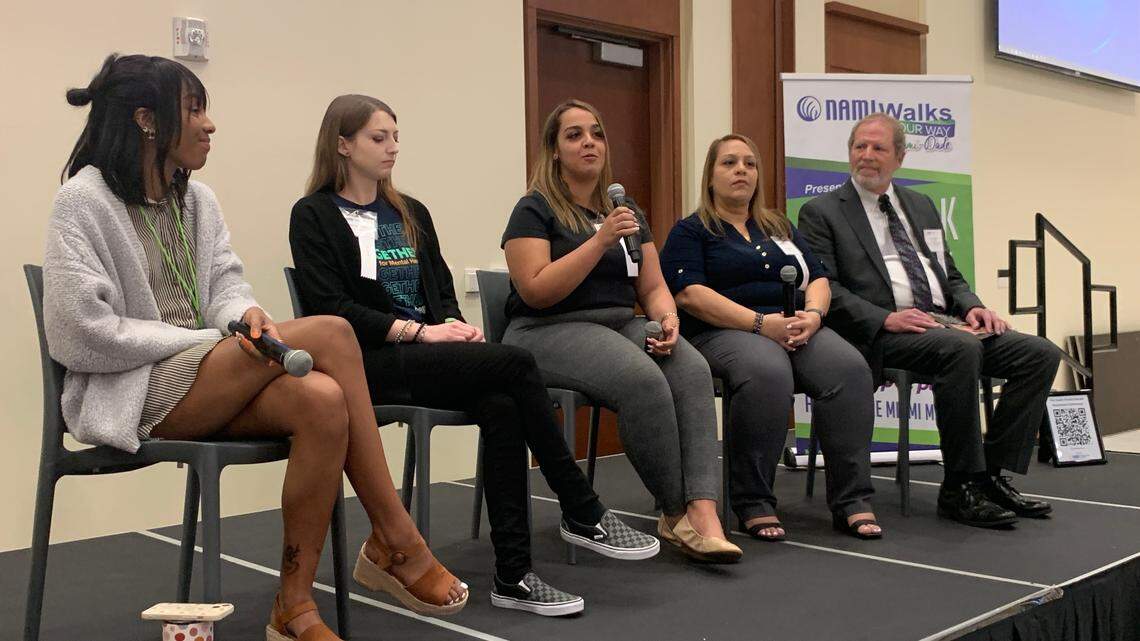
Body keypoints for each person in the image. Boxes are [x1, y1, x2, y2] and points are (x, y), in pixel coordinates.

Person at [43, 55, 468, 641]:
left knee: (321, 399)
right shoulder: (83, 201)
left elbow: (225, 286)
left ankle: (293, 610)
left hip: (210, 375)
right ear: (147, 120)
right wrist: (207, 337)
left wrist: (242, 314)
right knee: (333, 332)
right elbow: (77, 332)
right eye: (195, 110)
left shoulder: (198, 201)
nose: (210, 124)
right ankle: (396, 535)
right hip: (139, 390)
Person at [288, 94, 659, 617]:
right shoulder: (315, 214)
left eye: (396, 136)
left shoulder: (408, 211)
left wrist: (450, 326)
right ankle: (580, 505)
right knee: (516, 362)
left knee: (503, 405)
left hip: (426, 354)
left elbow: (438, 287)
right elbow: (331, 309)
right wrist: (418, 333)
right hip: (366, 363)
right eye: (379, 138)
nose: (393, 147)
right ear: (343, 145)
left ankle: (514, 576)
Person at [500, 99, 742, 563]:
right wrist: (599, 241)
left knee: (689, 366)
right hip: (545, 329)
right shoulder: (534, 208)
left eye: (596, 133)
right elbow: (535, 290)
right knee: (642, 379)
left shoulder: (622, 207)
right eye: (574, 135)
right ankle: (676, 513)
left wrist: (669, 322)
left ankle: (704, 511)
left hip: (618, 324)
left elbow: (653, 286)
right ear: (554, 150)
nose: (588, 142)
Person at [797, 112, 1061, 529]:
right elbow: (825, 286)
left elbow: (948, 273)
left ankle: (991, 474)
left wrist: (972, 305)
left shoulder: (920, 205)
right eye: (859, 147)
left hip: (943, 323)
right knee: (962, 348)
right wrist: (886, 319)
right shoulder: (822, 211)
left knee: (1040, 353)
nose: (866, 156)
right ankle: (960, 486)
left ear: (899, 157)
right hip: (879, 332)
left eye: (878, 148)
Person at [660, 134, 881, 540]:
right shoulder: (692, 231)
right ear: (710, 177)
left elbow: (819, 280)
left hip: (796, 325)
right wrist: (762, 325)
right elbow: (690, 294)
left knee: (849, 369)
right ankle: (753, 501)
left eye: (749, 163)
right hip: (724, 331)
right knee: (767, 372)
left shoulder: (779, 225)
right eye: (728, 163)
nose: (741, 170)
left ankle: (852, 499)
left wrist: (812, 317)